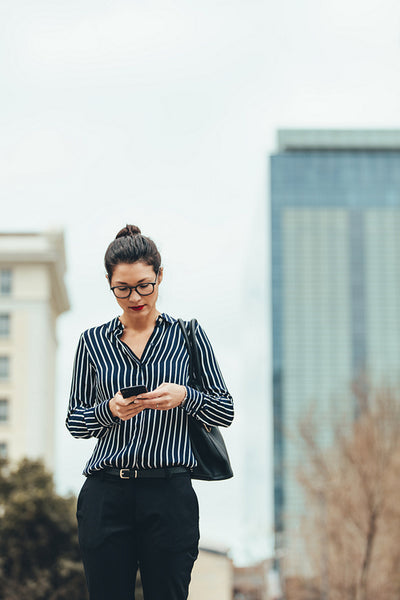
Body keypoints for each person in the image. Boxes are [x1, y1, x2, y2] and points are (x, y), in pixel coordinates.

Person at [66, 224, 234, 600]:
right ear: (109, 283)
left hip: (169, 493)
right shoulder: (92, 342)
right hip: (106, 494)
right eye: (122, 289)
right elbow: (75, 421)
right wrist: (109, 409)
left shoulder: (187, 334)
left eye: (144, 285)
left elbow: (224, 409)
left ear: (160, 276)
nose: (135, 297)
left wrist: (185, 395)